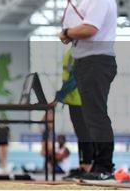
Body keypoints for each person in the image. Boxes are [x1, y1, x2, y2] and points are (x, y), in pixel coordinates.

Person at [59, 0, 117, 181]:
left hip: (96, 61)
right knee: (90, 117)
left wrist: (67, 32)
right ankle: (96, 165)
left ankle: (104, 167)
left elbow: (90, 28)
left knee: (96, 116)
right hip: (88, 62)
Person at [52, 48, 93, 179]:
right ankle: (84, 165)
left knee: (85, 134)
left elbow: (75, 77)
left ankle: (88, 166)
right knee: (81, 135)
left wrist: (59, 96)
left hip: (81, 99)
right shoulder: (73, 49)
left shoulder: (79, 50)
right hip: (74, 100)